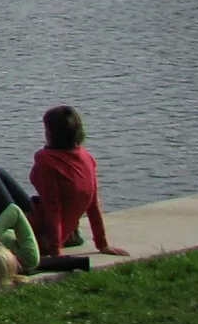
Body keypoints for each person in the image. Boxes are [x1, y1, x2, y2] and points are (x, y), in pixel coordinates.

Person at [26, 105, 128, 260]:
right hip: (64, 231)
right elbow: (93, 204)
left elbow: (53, 208)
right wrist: (102, 244)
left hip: (40, 234)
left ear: (51, 133)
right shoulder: (86, 158)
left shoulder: (46, 159)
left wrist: (55, 252)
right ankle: (71, 236)